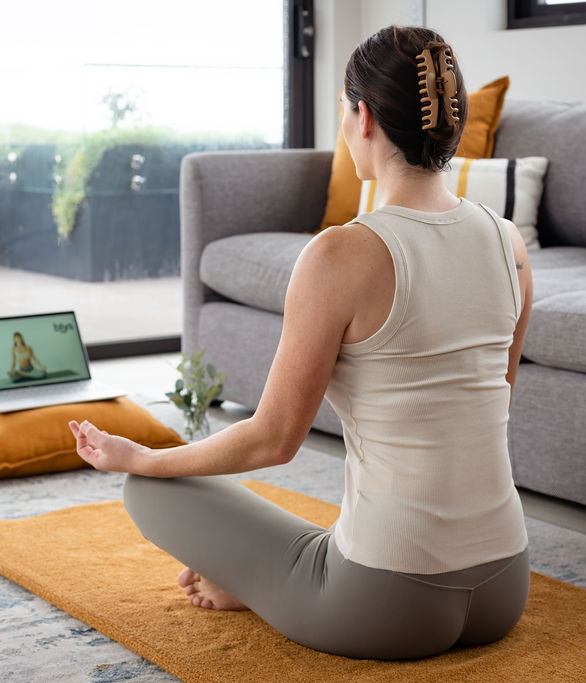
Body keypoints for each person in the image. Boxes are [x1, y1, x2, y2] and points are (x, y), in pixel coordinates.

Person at [69, 25, 533, 660]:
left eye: (345, 112)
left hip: (387, 606)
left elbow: (273, 439)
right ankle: (266, 580)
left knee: (151, 488)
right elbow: (491, 405)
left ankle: (259, 584)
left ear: (362, 117)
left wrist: (141, 458)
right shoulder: (509, 243)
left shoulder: (341, 253)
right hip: (505, 585)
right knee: (329, 533)